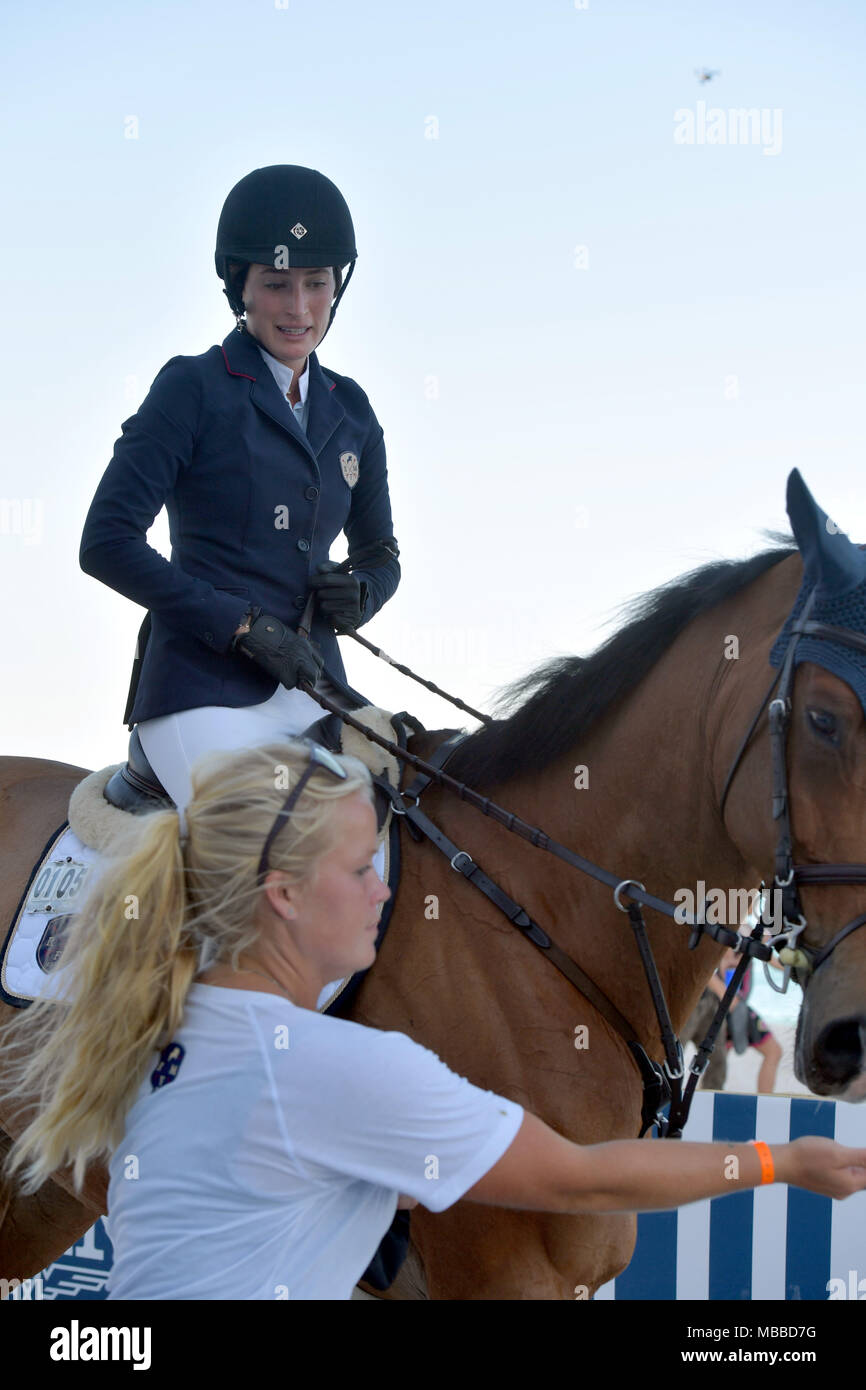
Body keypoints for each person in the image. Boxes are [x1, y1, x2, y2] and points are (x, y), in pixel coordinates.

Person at [3, 740, 865, 1301]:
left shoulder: (150, 1029)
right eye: (360, 867)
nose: (387, 889)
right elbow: (582, 1182)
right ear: (285, 894)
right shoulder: (339, 1069)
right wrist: (783, 1160)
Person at [78, 162, 400, 837]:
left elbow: (381, 552)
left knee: (412, 829)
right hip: (202, 688)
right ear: (241, 290)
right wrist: (243, 626)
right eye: (277, 285)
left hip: (314, 688)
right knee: (262, 850)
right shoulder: (193, 388)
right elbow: (105, 542)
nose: (300, 308)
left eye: (317, 285)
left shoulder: (354, 411)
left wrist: (363, 591)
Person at [707, 945, 783, 1094]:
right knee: (717, 1063)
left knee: (717, 1063)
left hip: (735, 1007)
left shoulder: (749, 937)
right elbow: (712, 973)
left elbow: (777, 963)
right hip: (723, 1009)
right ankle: (764, 1099)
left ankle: (764, 1099)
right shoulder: (731, 935)